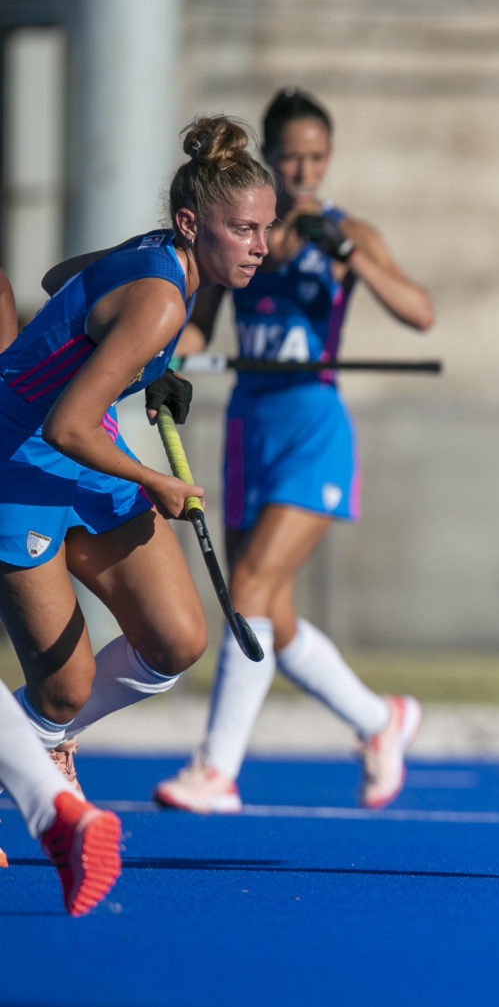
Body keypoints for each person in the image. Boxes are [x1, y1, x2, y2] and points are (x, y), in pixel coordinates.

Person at [0, 116, 275, 906]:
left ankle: (37, 747)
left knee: (177, 637)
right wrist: (155, 480)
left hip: (87, 448)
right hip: (21, 459)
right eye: (242, 229)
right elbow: (66, 424)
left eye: (265, 229)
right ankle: (39, 750)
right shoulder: (161, 299)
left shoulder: (161, 262)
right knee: (63, 688)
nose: (259, 245)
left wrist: (145, 367)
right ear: (191, 224)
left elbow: (65, 277)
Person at [154, 88, 432, 814]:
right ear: (268, 158)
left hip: (313, 429)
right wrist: (157, 355)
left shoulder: (347, 233)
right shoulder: (243, 235)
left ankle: (216, 769)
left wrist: (348, 254)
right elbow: (199, 324)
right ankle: (380, 720)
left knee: (246, 589)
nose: (304, 169)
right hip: (250, 429)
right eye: (290, 157)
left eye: (316, 157)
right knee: (265, 613)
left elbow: (420, 313)